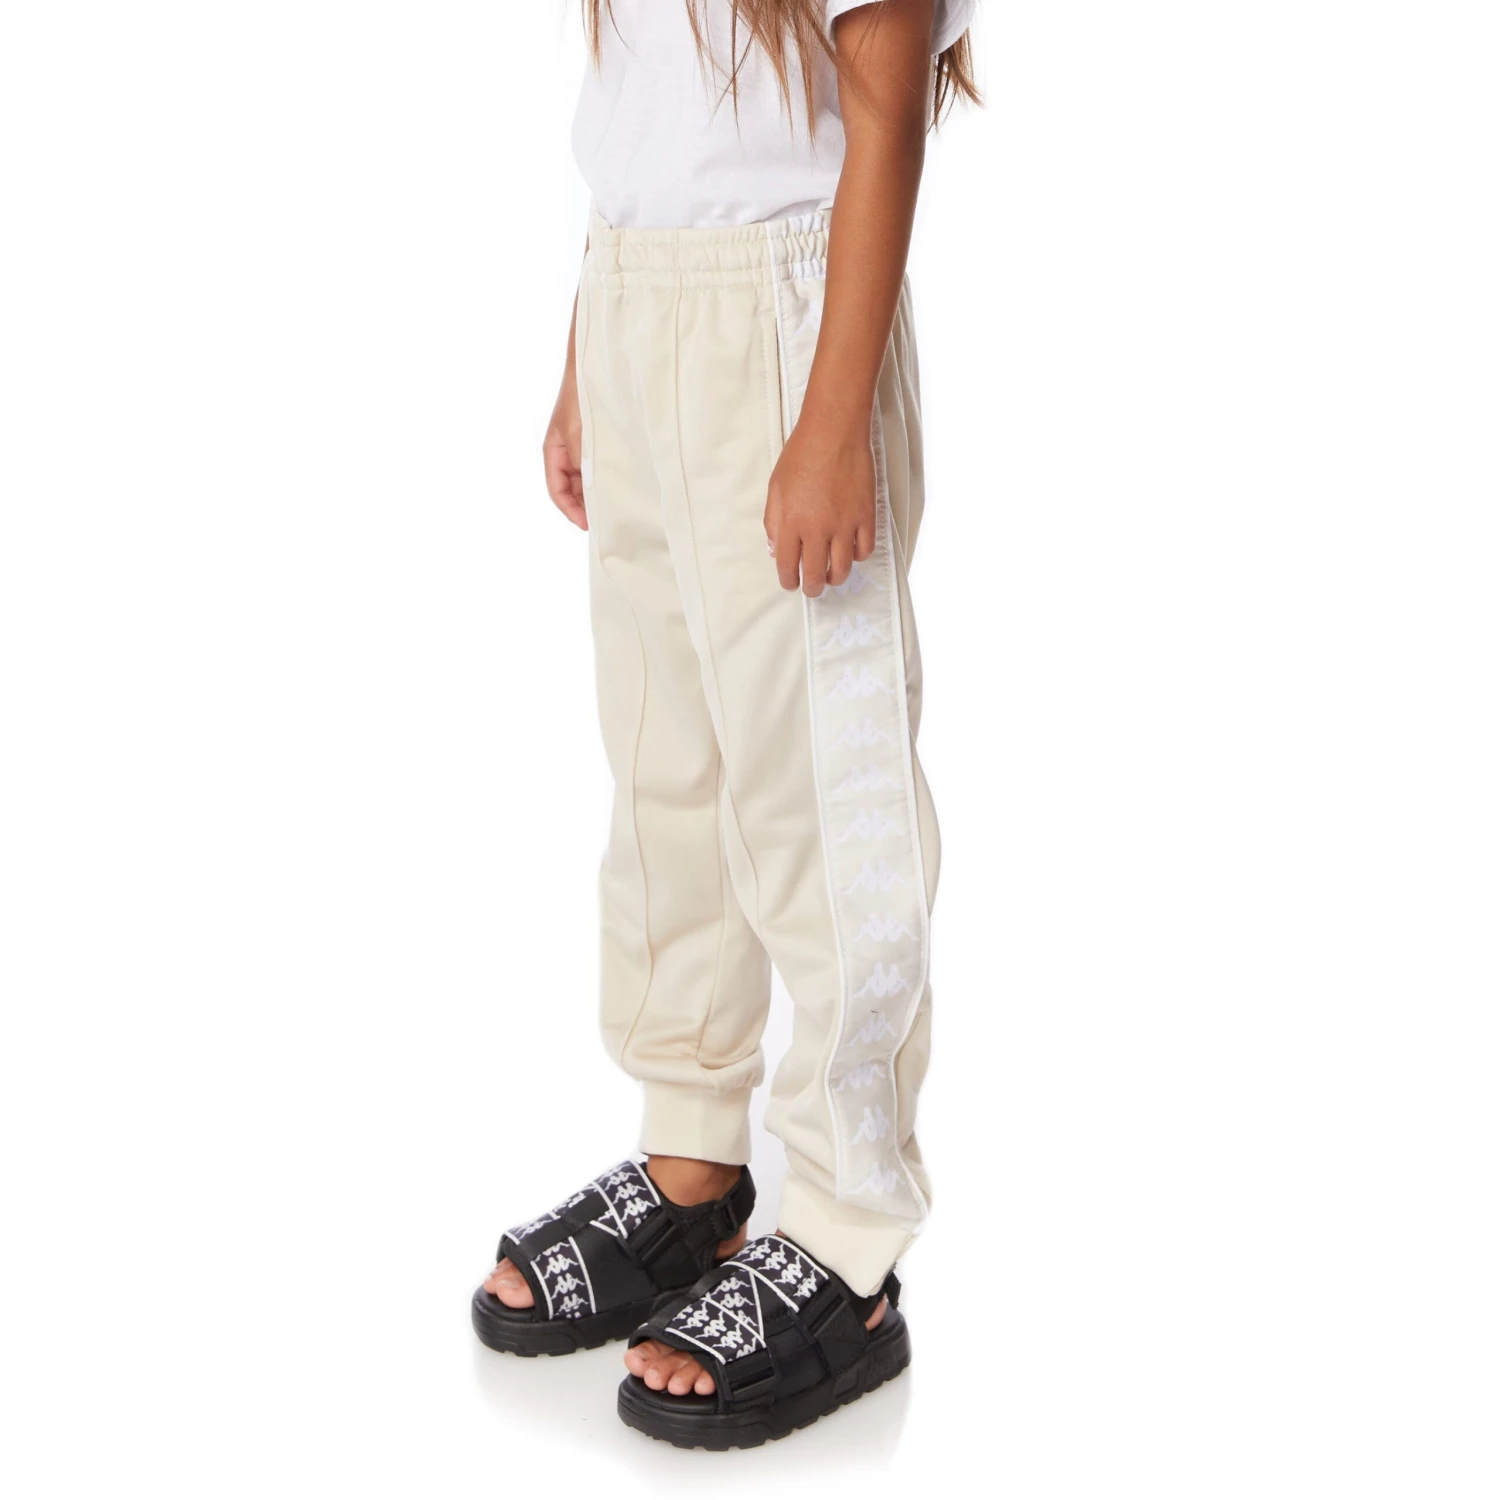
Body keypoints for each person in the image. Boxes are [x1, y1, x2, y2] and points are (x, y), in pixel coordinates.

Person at [471, 0, 978, 1448]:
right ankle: (693, 1155)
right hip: (640, 300)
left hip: (790, 318)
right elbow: (649, 116)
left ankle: (846, 1230)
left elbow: (882, 109)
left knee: (814, 791)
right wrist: (589, 347)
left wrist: (832, 421)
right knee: (668, 774)